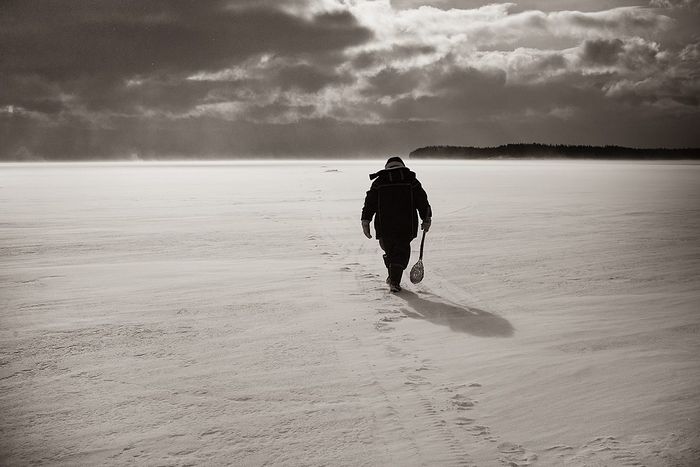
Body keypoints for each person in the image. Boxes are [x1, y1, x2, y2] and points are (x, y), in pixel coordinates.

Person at [361, 156, 432, 292]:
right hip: (406, 225)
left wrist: (366, 220)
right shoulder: (411, 181)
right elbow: (422, 201)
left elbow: (370, 203)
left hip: (384, 226)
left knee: (391, 250)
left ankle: (393, 277)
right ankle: (394, 279)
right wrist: (426, 218)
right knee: (401, 253)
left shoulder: (379, 181)